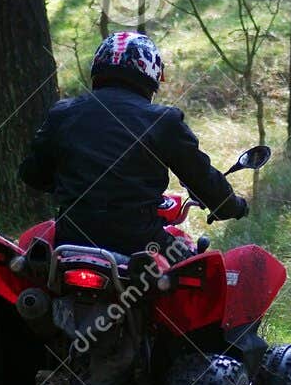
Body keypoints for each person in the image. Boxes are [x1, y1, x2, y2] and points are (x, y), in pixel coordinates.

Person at [19, 32, 248, 257]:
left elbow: (33, 174)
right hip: (141, 245)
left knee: (33, 270)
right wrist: (231, 205)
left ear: (98, 68)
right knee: (196, 273)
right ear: (151, 73)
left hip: (70, 241)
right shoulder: (163, 121)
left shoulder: (63, 113)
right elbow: (201, 177)